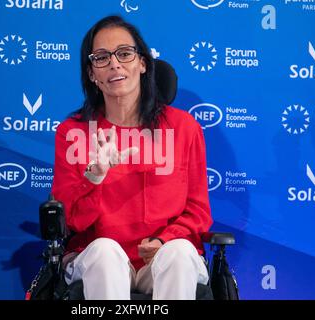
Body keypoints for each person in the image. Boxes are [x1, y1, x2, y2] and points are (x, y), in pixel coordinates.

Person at [51, 15, 212, 300]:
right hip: (100, 260)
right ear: (92, 74)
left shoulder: (184, 128)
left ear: (142, 63)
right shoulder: (73, 132)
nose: (114, 63)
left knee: (180, 253)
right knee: (104, 252)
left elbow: (198, 211)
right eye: (101, 58)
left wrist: (165, 239)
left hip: (163, 256)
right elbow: (71, 222)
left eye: (124, 54)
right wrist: (94, 178)